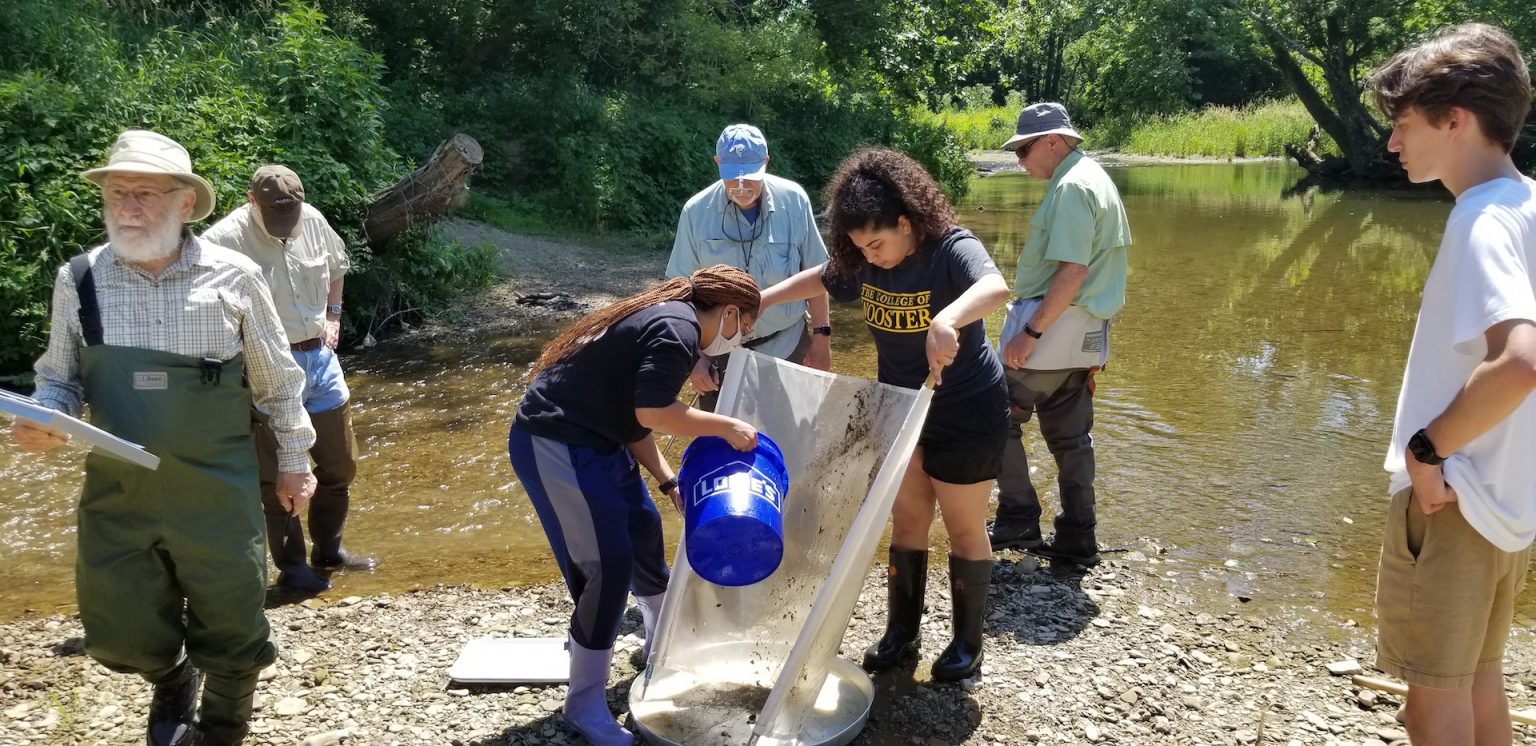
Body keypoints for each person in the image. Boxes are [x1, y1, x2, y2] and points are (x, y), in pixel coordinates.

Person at [10, 130, 316, 746]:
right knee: (117, 631)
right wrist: (45, 416)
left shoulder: (235, 277)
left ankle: (223, 730)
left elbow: (279, 384)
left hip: (217, 493)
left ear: (185, 203)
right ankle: (172, 676)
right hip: (119, 495)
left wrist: (294, 461)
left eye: (144, 194)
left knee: (233, 626)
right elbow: (59, 379)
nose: (127, 207)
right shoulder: (80, 280)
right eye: (117, 193)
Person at [760, 148, 1010, 681]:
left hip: (966, 409)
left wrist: (947, 318)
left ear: (906, 222)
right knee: (907, 518)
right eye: (859, 248)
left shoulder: (951, 249)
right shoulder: (866, 262)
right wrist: (762, 301)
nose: (869, 257)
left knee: (963, 525)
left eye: (876, 244)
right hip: (902, 407)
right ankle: (902, 633)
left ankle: (967, 644)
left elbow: (995, 287)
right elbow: (819, 279)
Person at [507, 264, 762, 744]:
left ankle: (659, 645)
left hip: (600, 439)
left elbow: (634, 421)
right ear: (730, 312)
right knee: (608, 567)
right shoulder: (677, 329)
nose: (739, 338)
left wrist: (669, 483)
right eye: (744, 328)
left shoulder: (675, 322)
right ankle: (584, 704)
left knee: (644, 531)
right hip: (554, 441)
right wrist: (726, 427)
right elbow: (654, 413)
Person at [1367, 24, 1536, 745]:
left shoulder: (1480, 220)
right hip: (1509, 502)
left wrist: (1426, 451)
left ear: (1454, 119)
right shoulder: (1529, 205)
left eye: (1404, 124)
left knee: (1431, 702)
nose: (1392, 144)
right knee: (1479, 681)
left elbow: (1522, 361)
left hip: (1453, 501)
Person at [203, 165, 373, 593]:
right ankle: (292, 568)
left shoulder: (312, 219)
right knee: (277, 476)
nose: (286, 226)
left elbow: (337, 266)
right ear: (251, 201)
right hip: (265, 368)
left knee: (340, 464)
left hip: (320, 358)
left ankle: (329, 553)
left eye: (290, 215)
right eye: (274, 216)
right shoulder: (221, 241)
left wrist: (334, 316)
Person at [986, 102, 1131, 567]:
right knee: (1071, 438)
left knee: (994, 417)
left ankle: (1018, 518)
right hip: (1088, 333)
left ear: (1052, 141)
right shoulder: (1096, 178)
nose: (1019, 161)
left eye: (1023, 150)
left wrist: (1030, 332)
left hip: (1052, 329)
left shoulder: (1070, 187)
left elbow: (1072, 271)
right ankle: (1078, 535)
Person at [666, 124, 832, 409]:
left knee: (792, 434)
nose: (741, 185)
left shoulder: (794, 201)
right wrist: (694, 359)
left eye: (751, 176)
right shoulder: (695, 212)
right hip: (719, 358)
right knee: (723, 436)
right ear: (717, 163)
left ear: (766, 162)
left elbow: (818, 275)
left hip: (787, 348)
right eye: (732, 176)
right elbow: (678, 294)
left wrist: (821, 339)